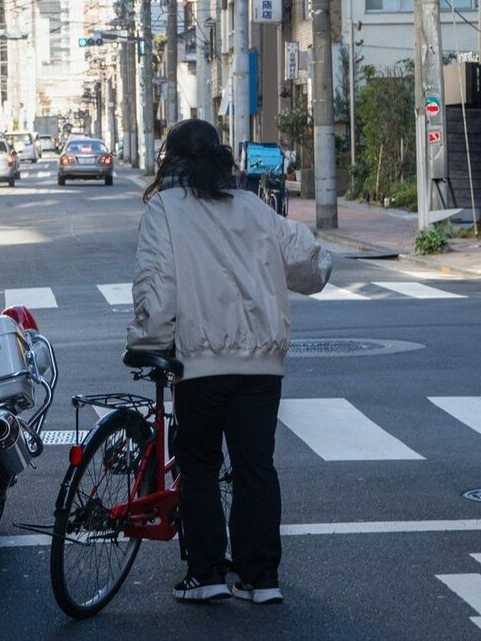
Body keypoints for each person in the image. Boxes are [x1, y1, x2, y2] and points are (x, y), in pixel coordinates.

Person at [127, 118, 331, 605]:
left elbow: (159, 288)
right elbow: (310, 264)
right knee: (255, 467)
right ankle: (261, 578)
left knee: (199, 464)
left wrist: (149, 342)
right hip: (262, 364)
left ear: (171, 162)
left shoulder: (165, 210)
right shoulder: (253, 207)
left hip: (201, 363)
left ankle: (208, 574)